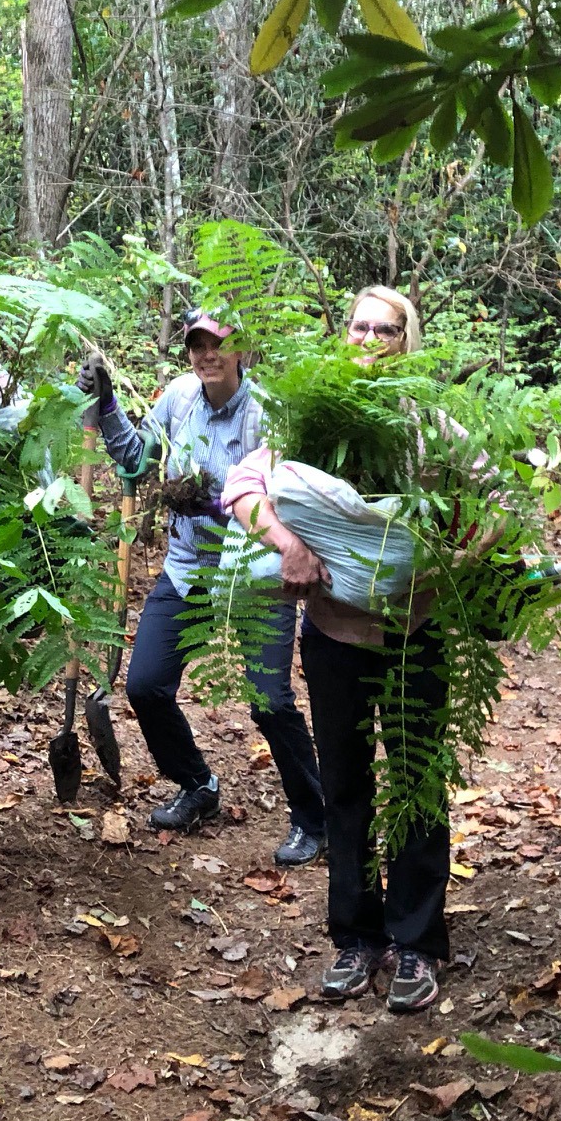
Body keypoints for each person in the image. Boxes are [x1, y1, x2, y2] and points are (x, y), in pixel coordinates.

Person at [221, 284, 453, 1014]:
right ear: (342, 334)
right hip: (333, 634)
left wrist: (472, 549)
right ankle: (356, 936)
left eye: (386, 329)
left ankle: (416, 943)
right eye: (359, 326)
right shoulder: (311, 424)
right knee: (347, 783)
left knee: (416, 782)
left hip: (417, 633)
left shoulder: (432, 429)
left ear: (407, 340)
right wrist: (288, 544)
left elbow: (493, 500)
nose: (369, 339)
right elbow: (243, 483)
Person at [83, 310, 328, 867]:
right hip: (188, 566)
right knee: (145, 685)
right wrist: (107, 404)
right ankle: (197, 784)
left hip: (256, 573)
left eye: (218, 344)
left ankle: (314, 818)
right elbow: (135, 457)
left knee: (270, 704)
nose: (206, 354)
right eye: (196, 344)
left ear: (241, 350)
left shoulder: (269, 413)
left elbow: (288, 495)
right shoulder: (177, 398)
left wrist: (213, 493)